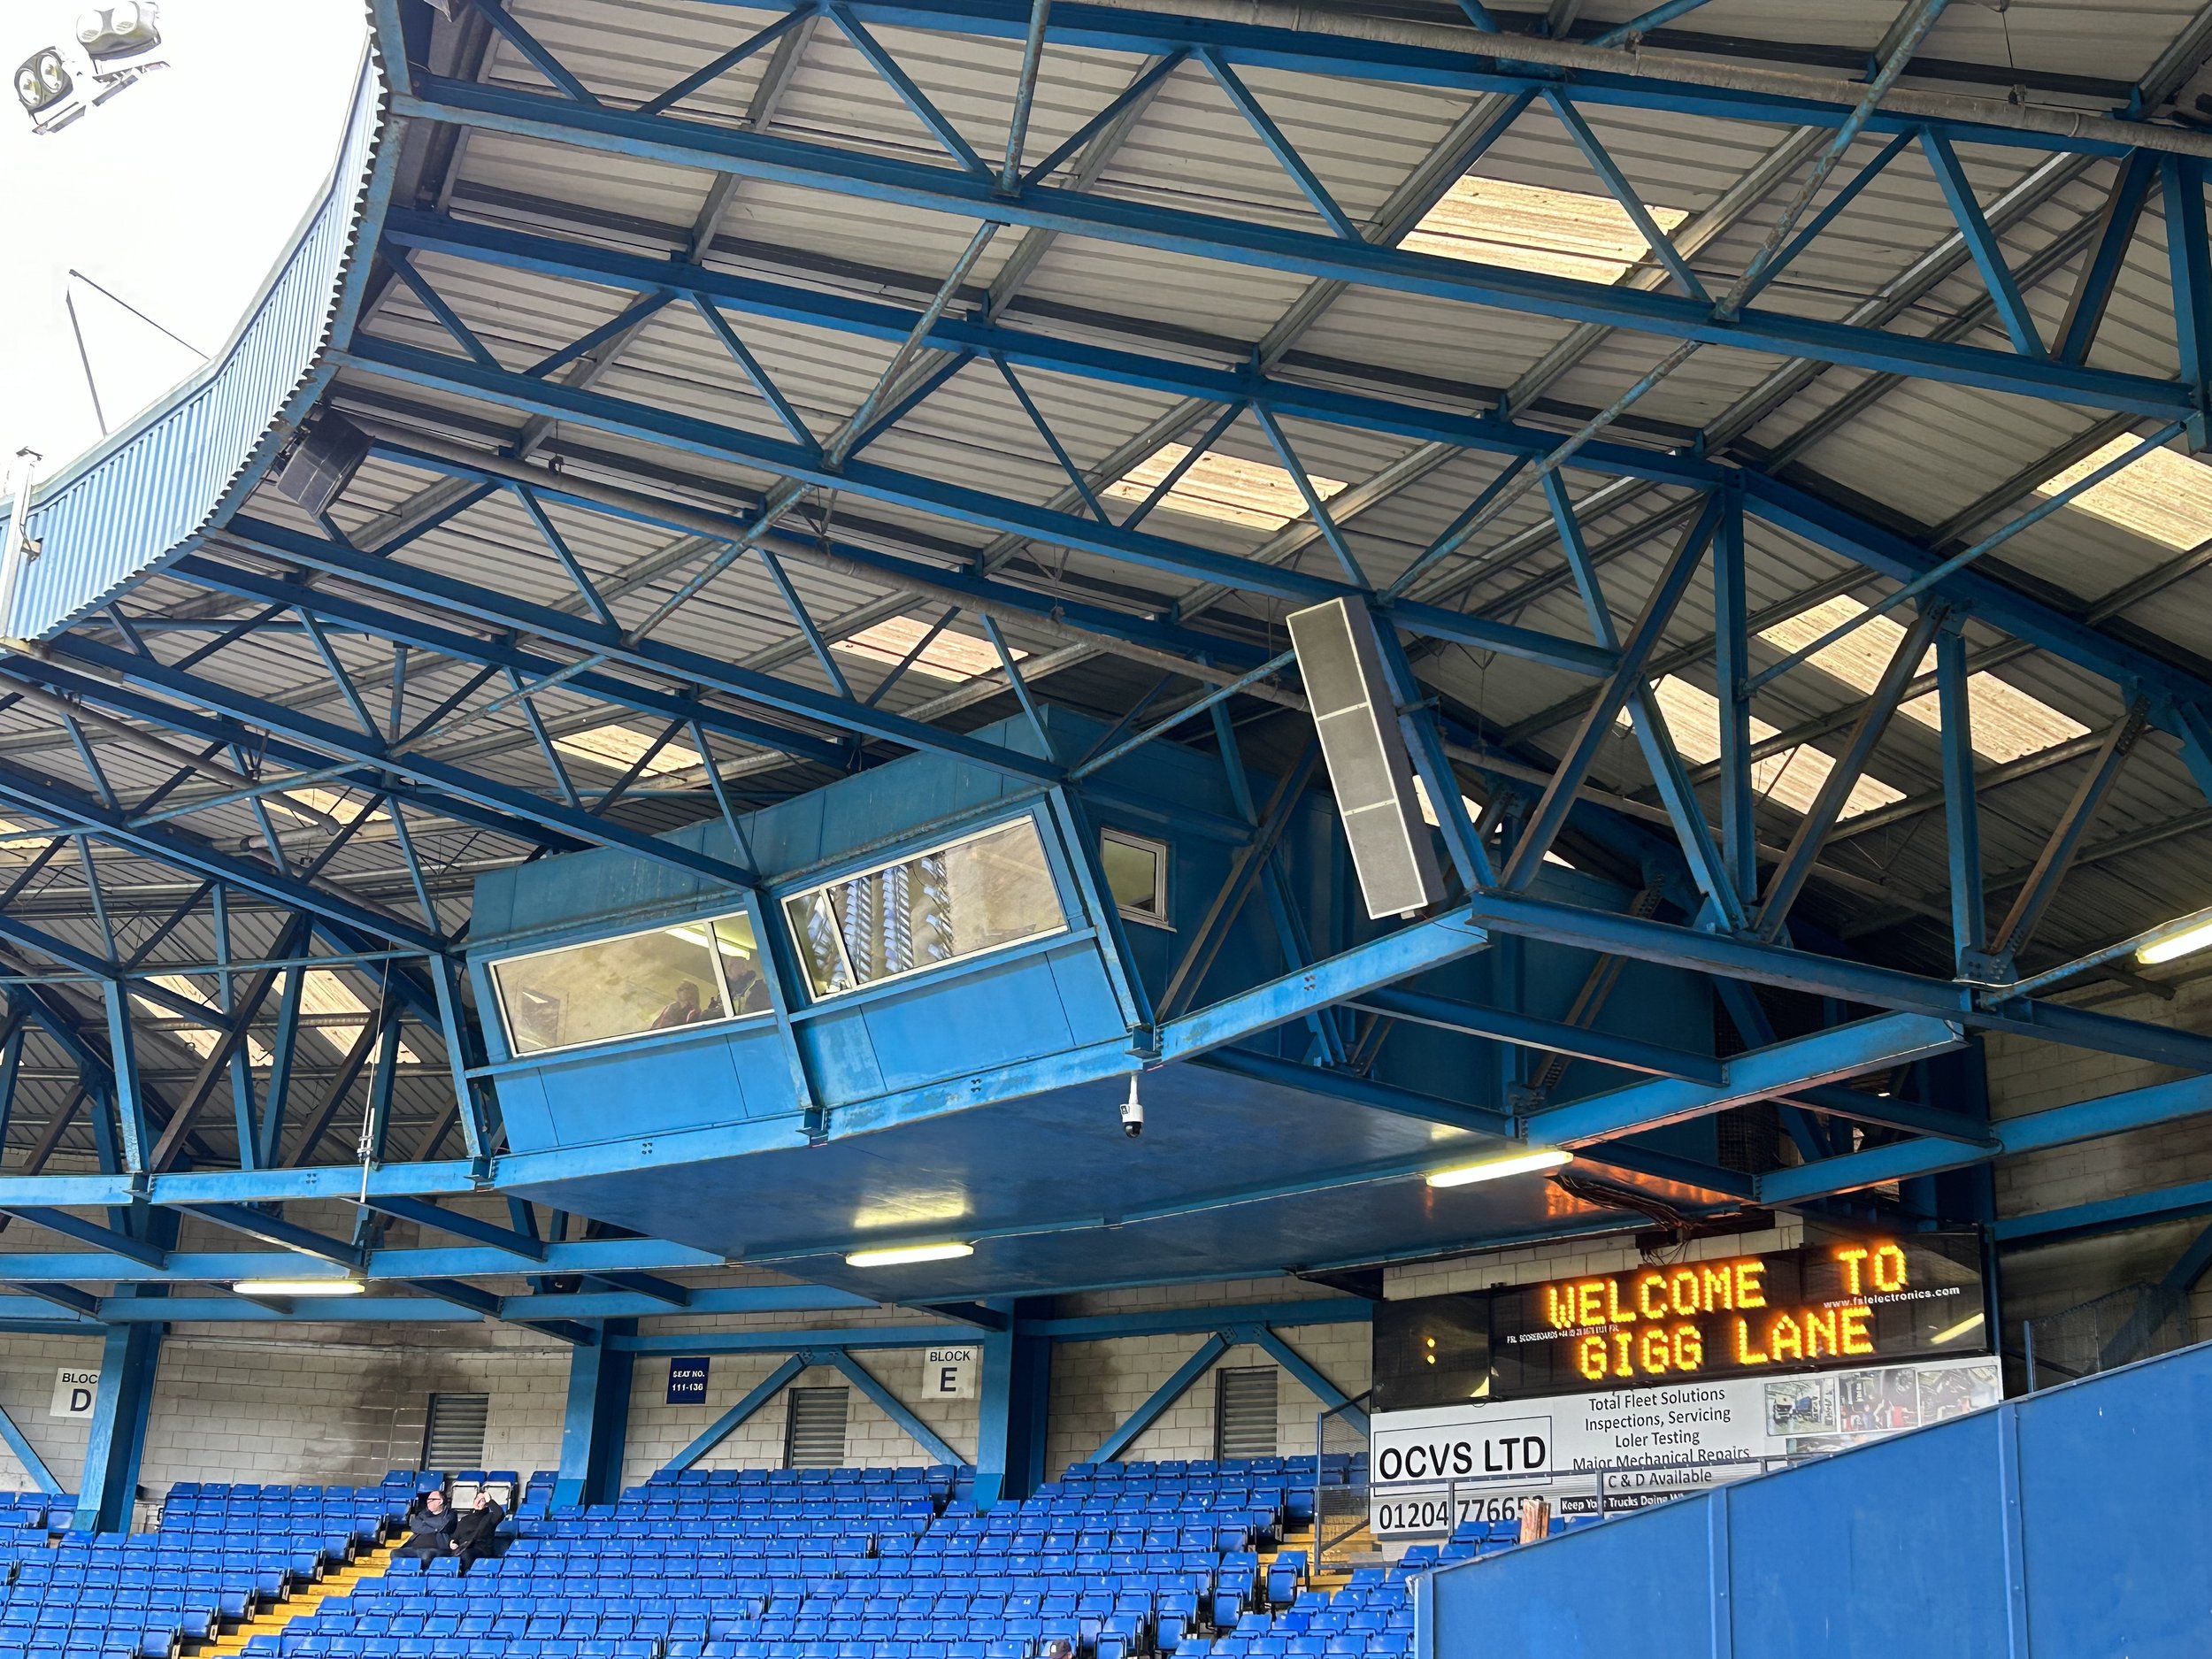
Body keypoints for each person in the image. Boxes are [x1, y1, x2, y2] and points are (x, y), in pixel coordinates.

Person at [396, 1488, 456, 1564]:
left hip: (437, 1548)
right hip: (414, 1548)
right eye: (428, 1499)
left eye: (432, 1499)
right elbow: (414, 1526)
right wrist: (435, 1529)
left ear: (440, 1501)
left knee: (426, 1555)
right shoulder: (423, 1513)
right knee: (396, 1553)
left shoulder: (450, 1514)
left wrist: (424, 1521)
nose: (428, 1501)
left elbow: (443, 1525)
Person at [451, 1488, 505, 1571]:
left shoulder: (489, 1517)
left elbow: (500, 1513)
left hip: (481, 1550)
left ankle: (466, 1576)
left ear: (487, 1504)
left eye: (482, 1500)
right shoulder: (465, 1519)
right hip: (463, 1548)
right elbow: (456, 1536)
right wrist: (453, 1542)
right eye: (477, 1499)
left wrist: (489, 1500)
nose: (478, 1501)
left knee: (466, 1555)